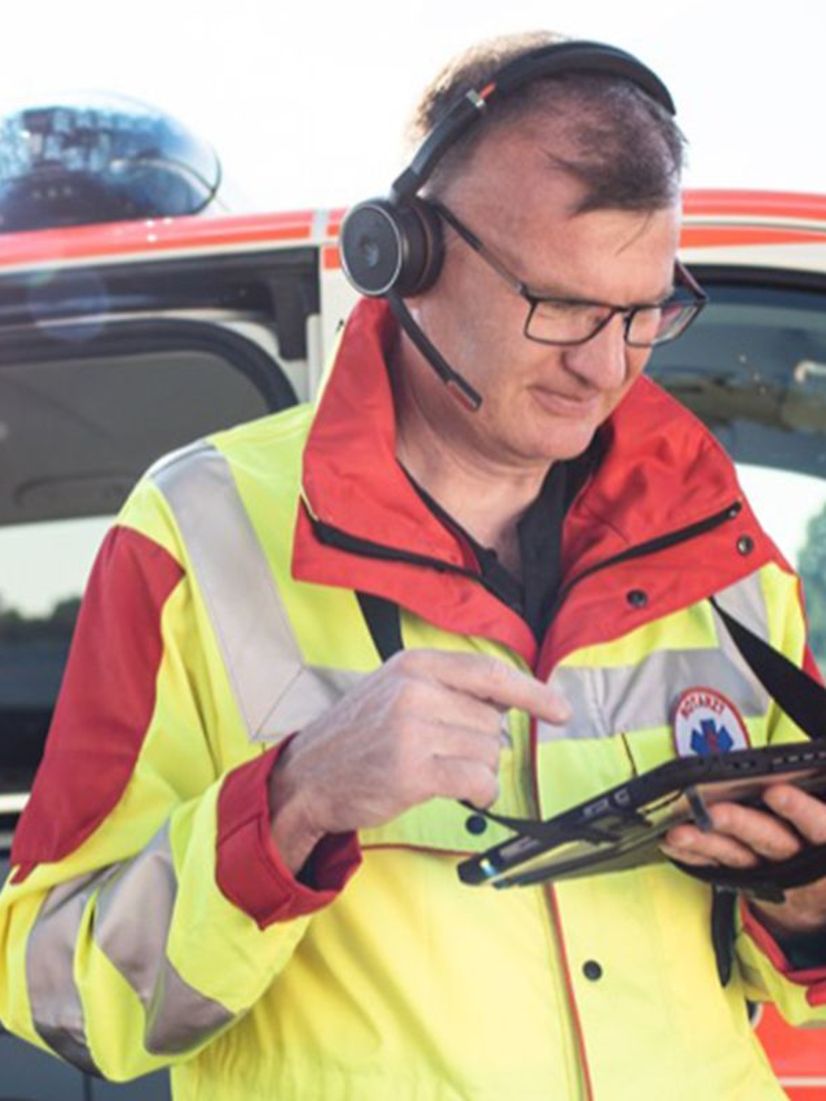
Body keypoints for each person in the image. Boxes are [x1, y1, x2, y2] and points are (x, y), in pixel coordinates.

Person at [2, 30, 826, 1101]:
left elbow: (788, 983)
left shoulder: (727, 550)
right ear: (406, 256)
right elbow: (59, 989)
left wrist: (805, 901)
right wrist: (293, 802)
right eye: (563, 307)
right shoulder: (194, 533)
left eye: (644, 313)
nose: (604, 366)